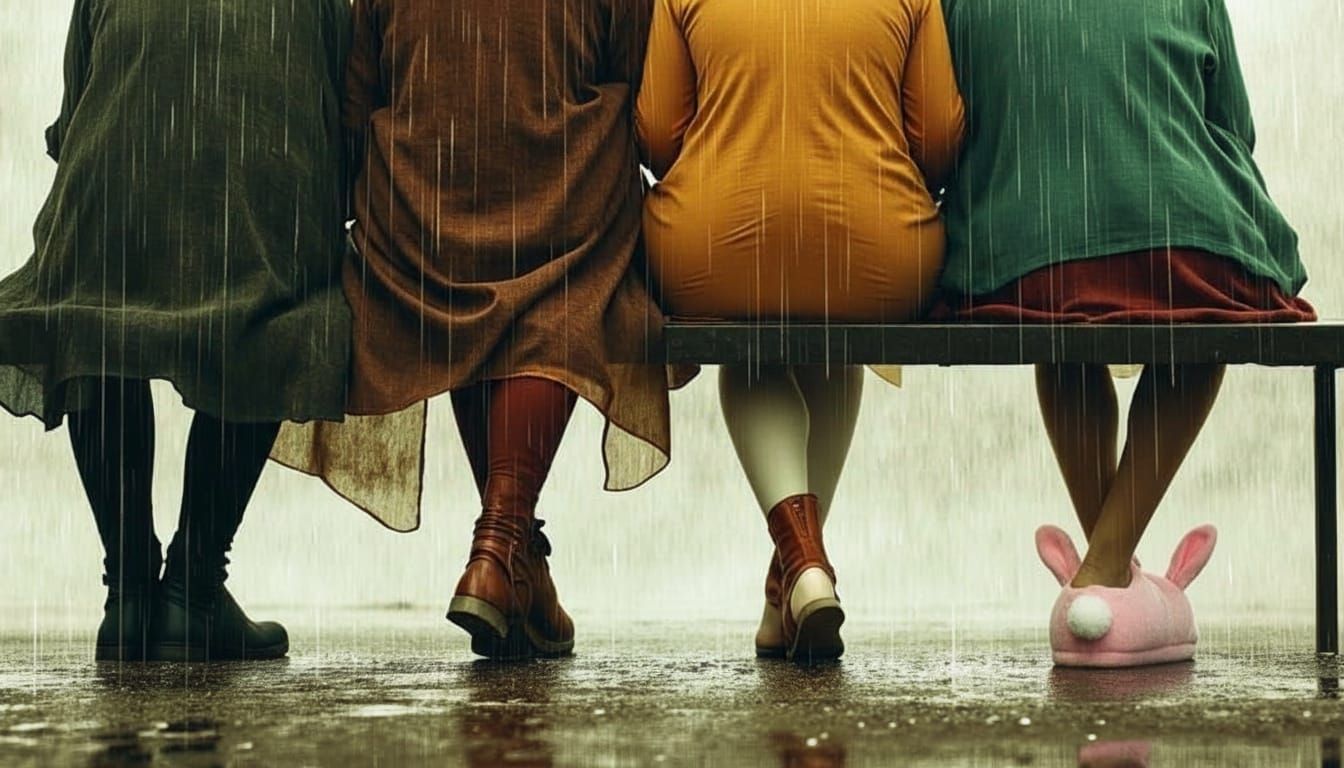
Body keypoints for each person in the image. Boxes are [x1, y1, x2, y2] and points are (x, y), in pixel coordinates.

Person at [279, 0, 674, 660]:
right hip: (559, 194)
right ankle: (501, 541)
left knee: (465, 299)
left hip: (425, 203)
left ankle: (508, 555)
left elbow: (355, 99)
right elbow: (643, 93)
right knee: (553, 291)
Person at [937, 0, 1315, 666]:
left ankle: (1107, 573)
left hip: (1026, 257)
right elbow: (1235, 126)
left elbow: (940, 130)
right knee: (1205, 330)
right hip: (1185, 247)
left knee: (1062, 329)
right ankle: (1107, 569)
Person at [0, 0, 353, 661]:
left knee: (98, 313)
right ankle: (193, 592)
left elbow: (71, 122)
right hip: (261, 172)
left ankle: (129, 595)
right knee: (273, 316)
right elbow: (349, 125)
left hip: (115, 168)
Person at [637, 0, 964, 662]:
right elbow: (936, 141)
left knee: (752, 340)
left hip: (714, 249)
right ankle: (795, 580)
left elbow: (656, 134)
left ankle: (799, 565)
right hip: (874, 254)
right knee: (834, 332)